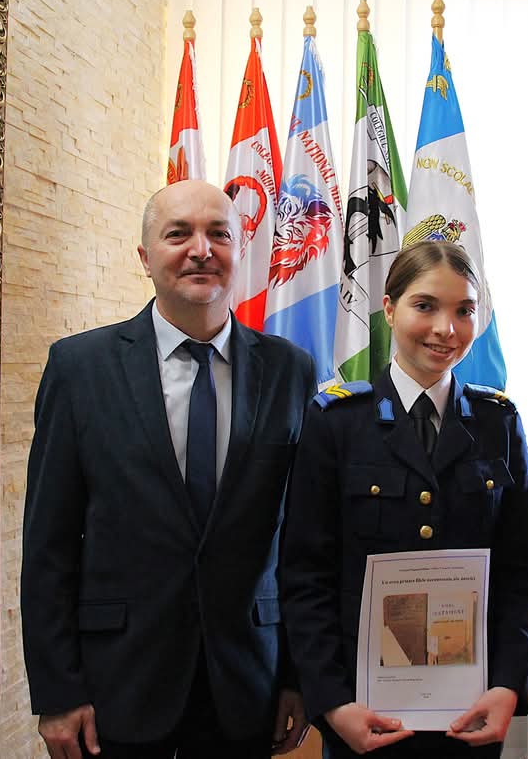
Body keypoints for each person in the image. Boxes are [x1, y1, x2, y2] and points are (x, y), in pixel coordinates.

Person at [21, 180, 316, 759]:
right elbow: (49, 543)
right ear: (145, 256)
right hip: (117, 686)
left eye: (219, 234)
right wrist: (57, 692)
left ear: (240, 250)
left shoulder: (291, 371)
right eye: (178, 234)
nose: (201, 250)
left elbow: (304, 542)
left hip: (247, 682)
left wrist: (298, 677)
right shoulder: (79, 369)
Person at [281, 241, 528, 759]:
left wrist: (506, 685)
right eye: (425, 306)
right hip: (363, 711)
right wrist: (333, 703)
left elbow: (523, 573)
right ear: (388, 308)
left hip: (470, 712)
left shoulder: (497, 423)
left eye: (464, 311)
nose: (446, 329)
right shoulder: (337, 422)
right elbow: (306, 575)